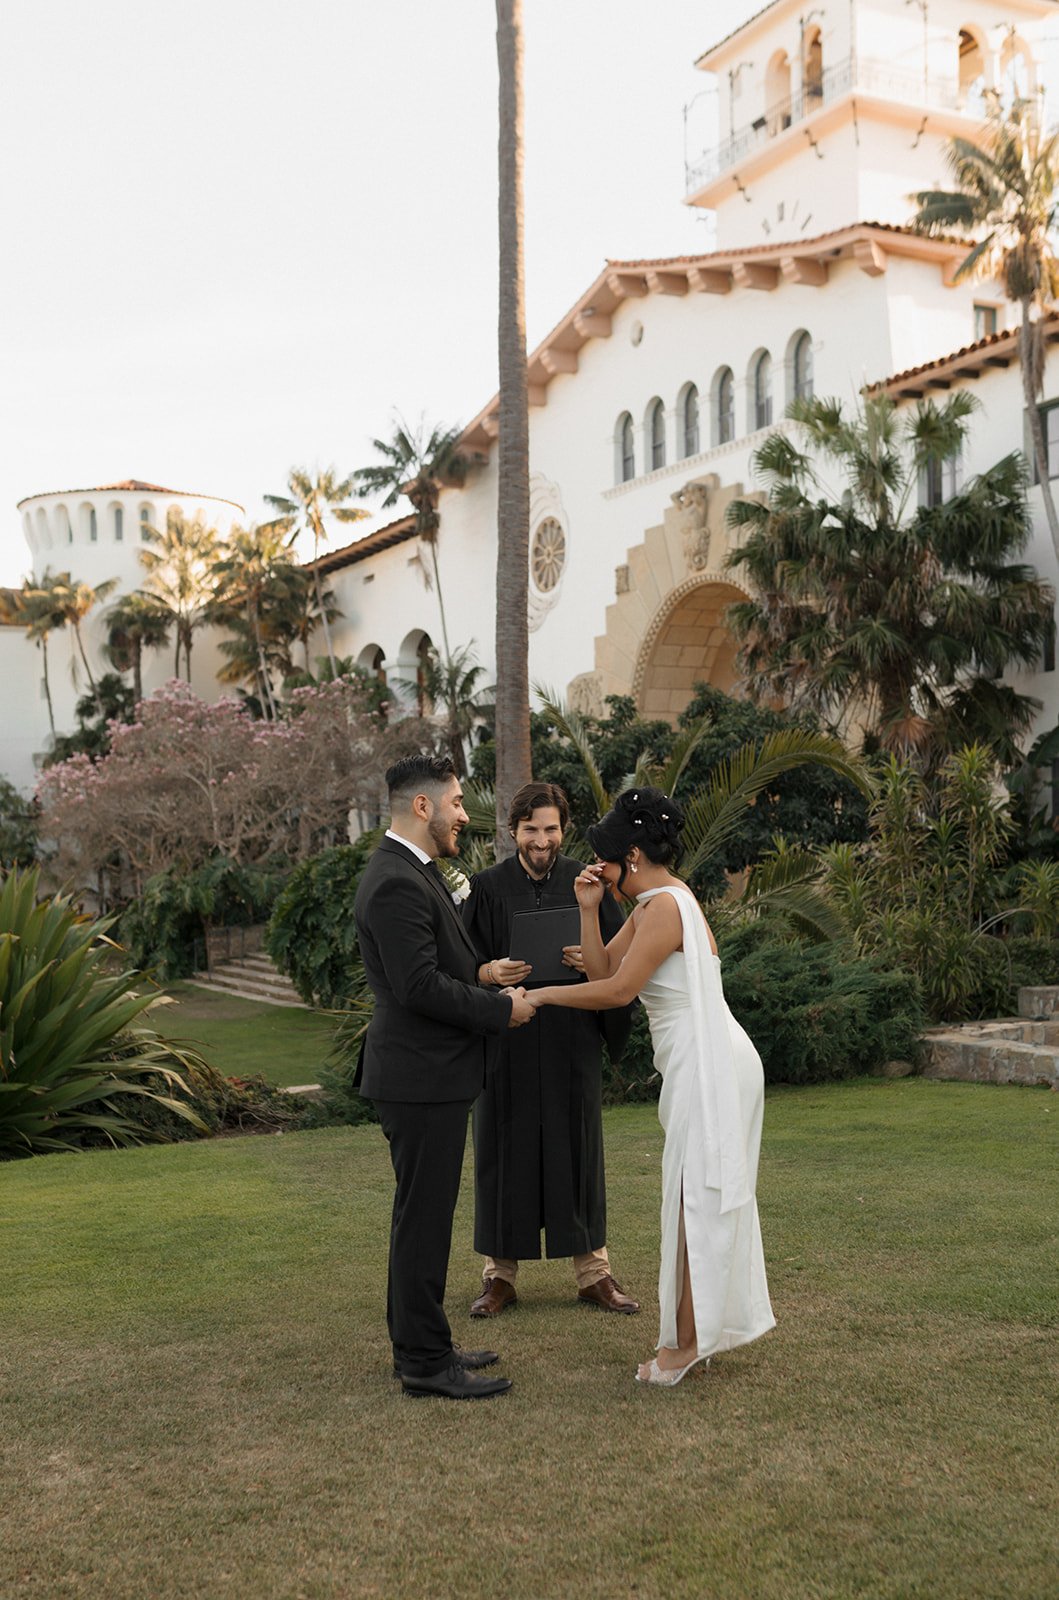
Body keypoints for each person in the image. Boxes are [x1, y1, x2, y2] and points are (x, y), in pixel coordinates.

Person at [527, 787, 775, 1387]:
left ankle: (684, 1346)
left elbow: (614, 995)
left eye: (606, 860)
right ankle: (697, 1333)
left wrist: (538, 995)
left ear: (631, 856)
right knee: (695, 1201)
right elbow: (605, 968)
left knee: (696, 1204)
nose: (600, 869)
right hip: (701, 1060)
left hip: (711, 1061)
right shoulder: (654, 905)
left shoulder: (665, 907)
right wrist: (588, 908)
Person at [353, 753, 535, 1400]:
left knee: (420, 1219)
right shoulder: (396, 879)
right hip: (418, 1077)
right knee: (422, 1221)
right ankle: (426, 1365)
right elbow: (417, 987)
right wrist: (497, 1010)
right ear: (422, 806)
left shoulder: (412, 870)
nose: (465, 814)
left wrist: (482, 975)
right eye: (456, 802)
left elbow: (435, 965)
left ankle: (423, 1346)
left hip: (426, 1076)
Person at [463, 782, 639, 1317]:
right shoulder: (485, 889)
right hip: (507, 1042)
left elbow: (618, 965)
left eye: (551, 828)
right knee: (502, 1149)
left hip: (570, 1039)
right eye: (531, 829)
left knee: (578, 1147)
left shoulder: (589, 882)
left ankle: (594, 1274)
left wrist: (593, 963)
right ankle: (499, 1278)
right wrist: (489, 971)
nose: (542, 840)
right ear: (513, 830)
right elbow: (454, 966)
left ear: (563, 828)